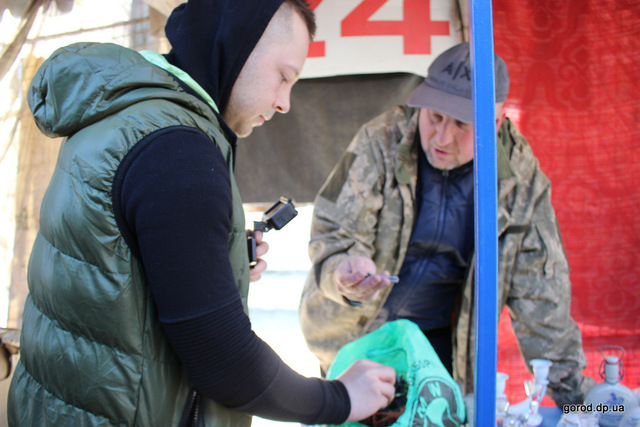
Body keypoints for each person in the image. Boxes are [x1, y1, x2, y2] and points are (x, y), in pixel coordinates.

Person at [7, 1, 397, 426]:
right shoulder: (180, 153)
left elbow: (115, 264)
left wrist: (218, 262)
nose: (285, 102)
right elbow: (225, 363)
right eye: (284, 77)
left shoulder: (130, 113)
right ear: (236, 45)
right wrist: (339, 397)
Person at [299, 41, 595, 408]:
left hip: (443, 349)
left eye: (461, 123)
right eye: (434, 116)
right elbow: (334, 233)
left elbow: (542, 296)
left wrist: (582, 402)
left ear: (496, 121)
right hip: (355, 338)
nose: (441, 137)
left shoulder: (520, 182)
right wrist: (343, 275)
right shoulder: (381, 140)